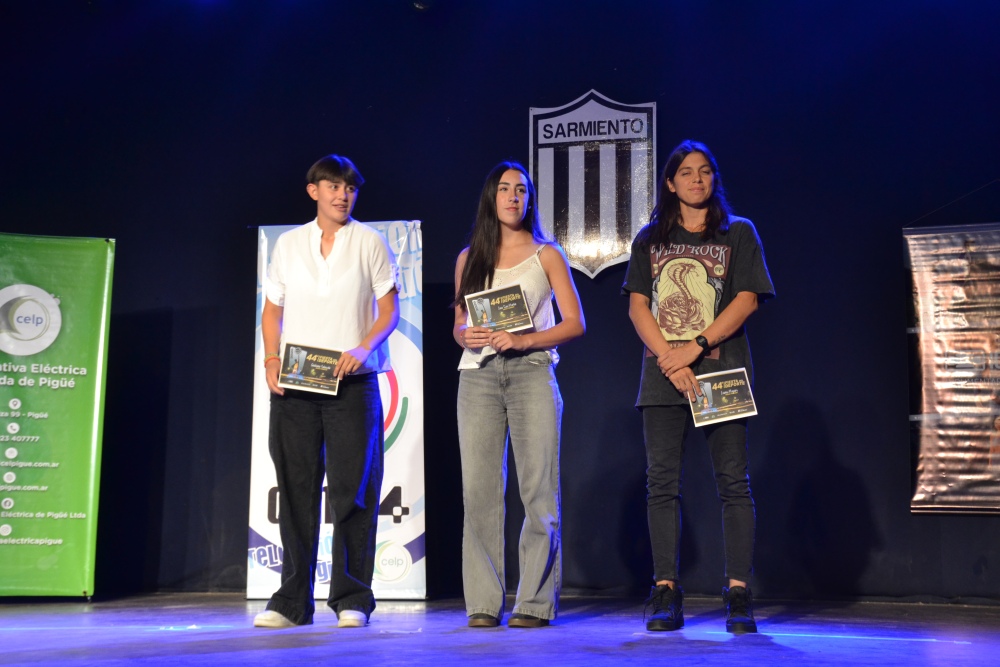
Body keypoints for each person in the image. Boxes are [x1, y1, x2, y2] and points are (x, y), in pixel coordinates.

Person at [622, 140, 775, 634]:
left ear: (714, 179)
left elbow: (748, 299)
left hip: (721, 373)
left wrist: (695, 346)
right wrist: (672, 360)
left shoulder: (738, 233)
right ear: (670, 182)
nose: (696, 180)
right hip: (664, 377)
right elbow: (638, 307)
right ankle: (666, 590)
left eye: (705, 172)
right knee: (662, 484)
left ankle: (737, 593)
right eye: (686, 173)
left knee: (733, 483)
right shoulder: (650, 239)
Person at [254, 155, 400, 629]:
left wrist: (363, 347)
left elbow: (388, 312)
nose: (343, 194)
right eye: (333, 186)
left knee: (352, 491)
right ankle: (291, 601)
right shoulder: (289, 245)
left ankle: (353, 597)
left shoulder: (369, 242)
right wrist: (271, 359)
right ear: (313, 190)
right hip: (297, 382)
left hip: (352, 384)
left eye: (350, 188)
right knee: (296, 490)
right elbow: (272, 311)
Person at [453, 161, 585, 628]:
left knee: (537, 491)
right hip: (478, 377)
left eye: (522, 190)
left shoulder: (547, 254)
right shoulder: (469, 259)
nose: (513, 197)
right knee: (480, 494)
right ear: (491, 198)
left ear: (529, 199)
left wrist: (525, 340)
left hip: (530, 372)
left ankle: (533, 602)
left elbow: (574, 322)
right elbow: (459, 324)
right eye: (505, 189)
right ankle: (484, 603)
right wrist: (465, 335)